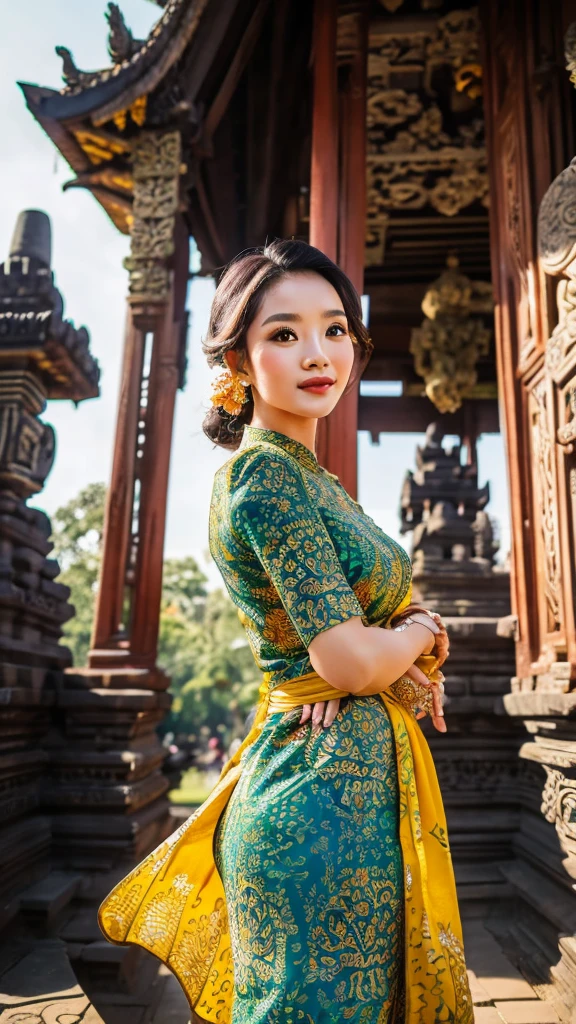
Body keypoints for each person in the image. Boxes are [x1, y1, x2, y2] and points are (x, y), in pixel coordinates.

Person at [98, 240, 472, 1024]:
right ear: (237, 357)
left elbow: (361, 641)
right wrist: (419, 633)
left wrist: (392, 639)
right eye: (284, 333)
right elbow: (344, 658)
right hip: (320, 804)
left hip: (347, 780)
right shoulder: (265, 475)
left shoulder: (314, 479)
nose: (318, 353)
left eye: (335, 330)